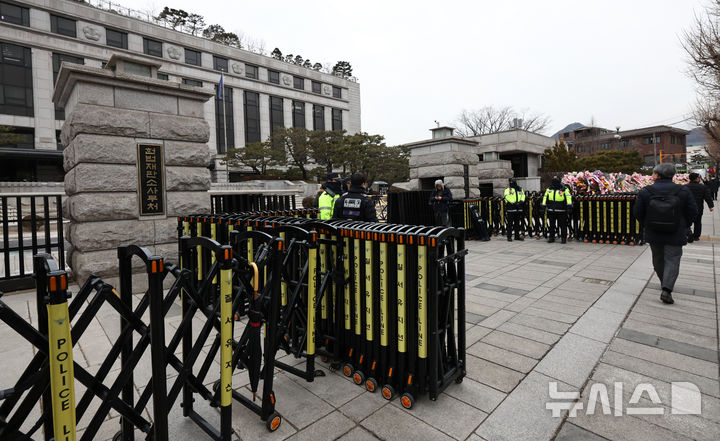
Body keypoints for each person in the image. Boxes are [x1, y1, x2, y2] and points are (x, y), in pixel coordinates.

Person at [634, 163, 697, 304]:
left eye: (653, 173)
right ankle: (667, 289)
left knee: (658, 259)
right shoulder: (683, 191)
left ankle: (664, 281)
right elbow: (693, 211)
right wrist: (684, 225)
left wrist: (647, 225)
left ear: (657, 175)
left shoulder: (646, 191)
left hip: (654, 232)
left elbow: (637, 212)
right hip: (675, 232)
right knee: (673, 259)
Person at [542, 176, 573, 243]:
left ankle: (563, 238)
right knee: (551, 225)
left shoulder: (564, 189)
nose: (555, 181)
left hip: (561, 210)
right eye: (554, 180)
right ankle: (551, 237)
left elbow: (568, 198)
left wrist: (569, 206)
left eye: (556, 180)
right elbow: (545, 198)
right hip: (551, 210)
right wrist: (543, 206)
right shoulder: (549, 189)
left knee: (563, 225)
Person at [686, 172, 714, 242]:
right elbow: (708, 197)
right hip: (698, 207)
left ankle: (688, 233)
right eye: (698, 178)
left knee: (686, 221)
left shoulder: (685, 187)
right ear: (696, 179)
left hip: (687, 207)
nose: (699, 179)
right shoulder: (703, 187)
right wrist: (710, 206)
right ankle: (696, 236)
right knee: (698, 222)